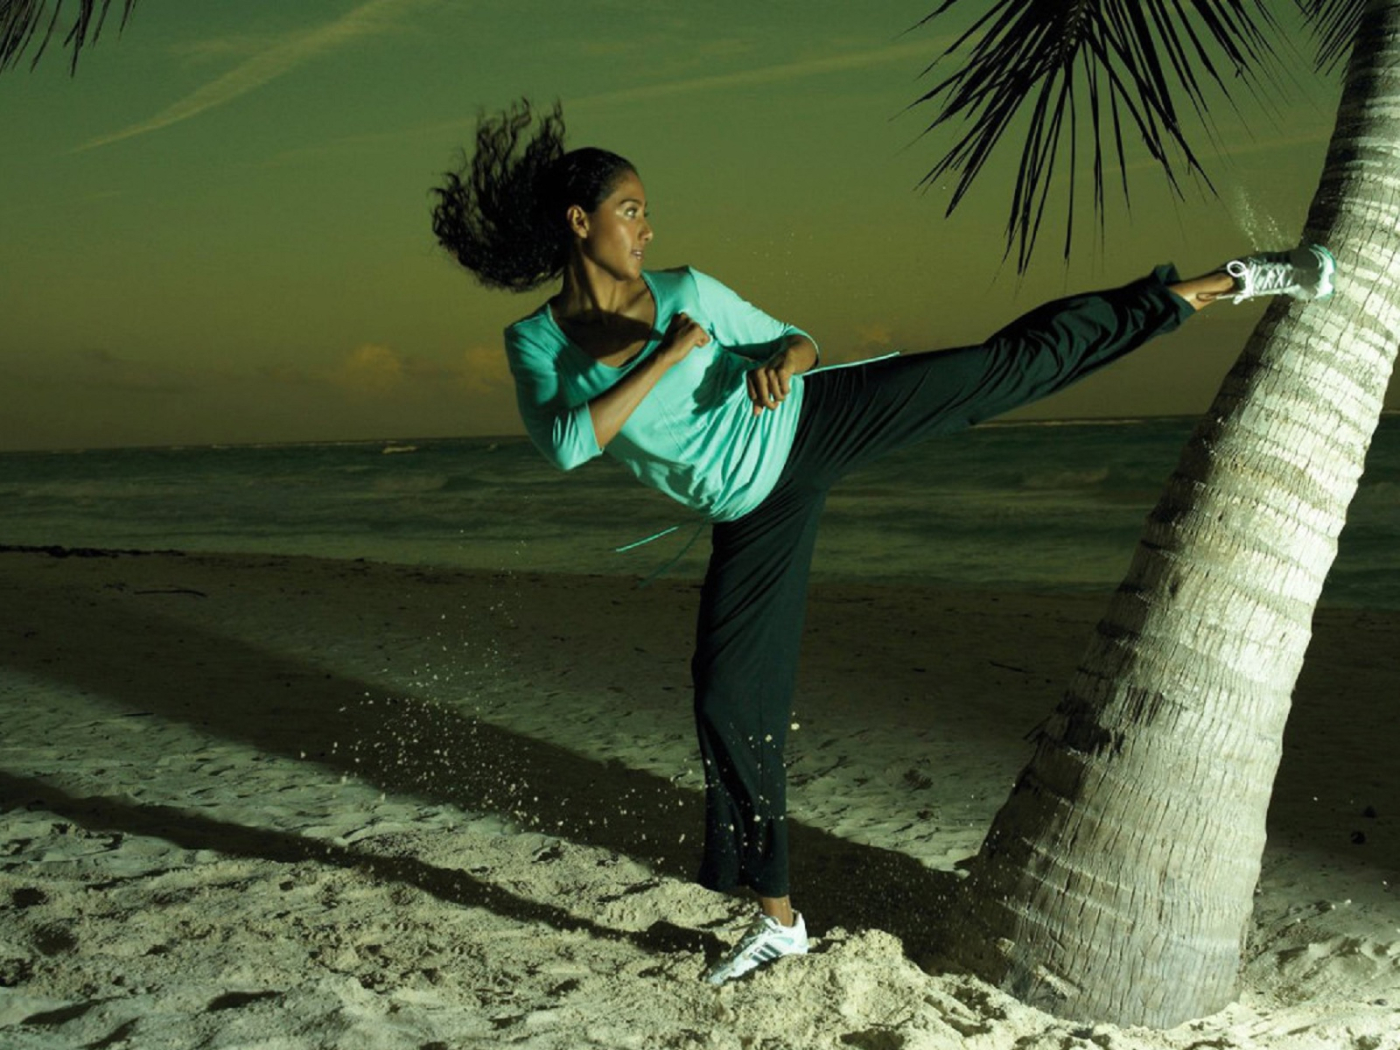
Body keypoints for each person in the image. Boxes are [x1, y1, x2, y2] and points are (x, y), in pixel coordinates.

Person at [430, 100, 1337, 985]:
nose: (647, 229)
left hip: (814, 424)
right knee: (725, 696)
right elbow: (566, 444)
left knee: (1000, 367)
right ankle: (779, 920)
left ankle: (1212, 286)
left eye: (644, 212)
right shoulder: (537, 340)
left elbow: (798, 341)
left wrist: (781, 362)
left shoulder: (687, 291)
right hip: (754, 514)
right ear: (580, 221)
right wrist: (666, 358)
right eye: (631, 211)